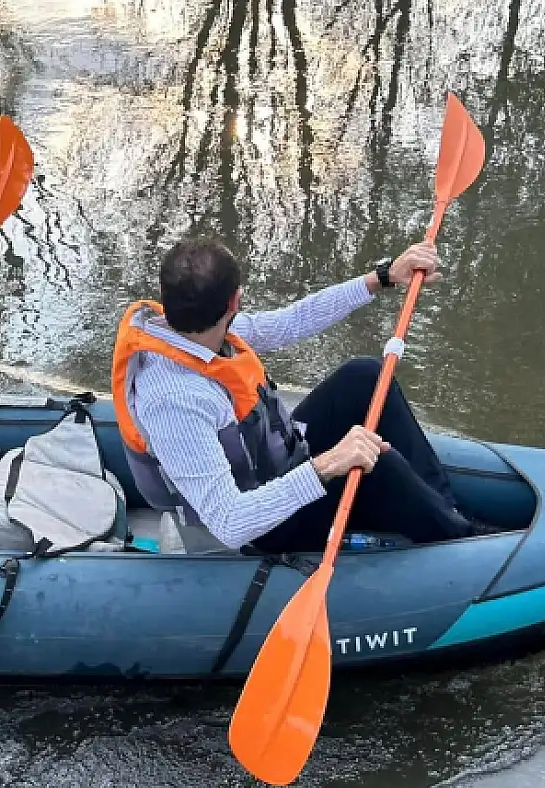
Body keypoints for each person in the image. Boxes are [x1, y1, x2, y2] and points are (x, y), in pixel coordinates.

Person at [110, 235, 476, 553]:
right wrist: (328, 465)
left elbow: (292, 321)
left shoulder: (199, 333)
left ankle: (447, 514)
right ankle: (464, 542)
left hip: (278, 466)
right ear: (233, 303)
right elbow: (230, 522)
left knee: (364, 375)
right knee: (377, 465)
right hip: (260, 525)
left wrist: (383, 277)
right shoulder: (175, 402)